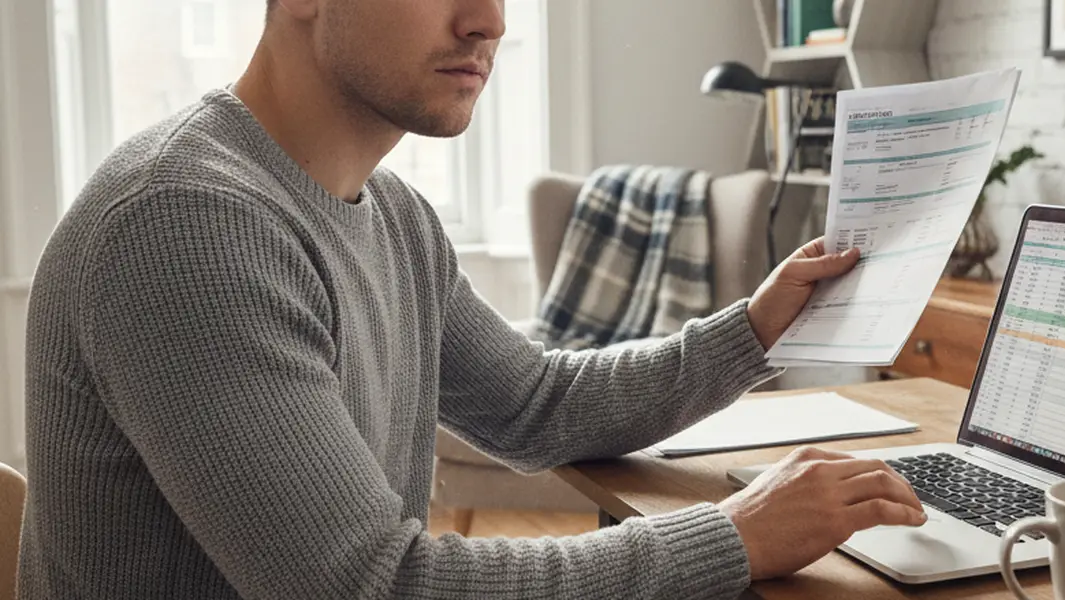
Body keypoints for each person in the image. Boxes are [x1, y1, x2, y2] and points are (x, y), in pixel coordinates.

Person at [18, 0, 929, 598]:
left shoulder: (394, 214)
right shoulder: (185, 225)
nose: (489, 20)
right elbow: (371, 587)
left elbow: (538, 406)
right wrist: (732, 534)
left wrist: (755, 327)